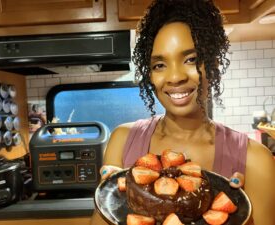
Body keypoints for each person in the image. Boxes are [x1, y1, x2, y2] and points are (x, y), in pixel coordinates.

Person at [90, 0, 275, 224]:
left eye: (190, 59)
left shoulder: (256, 160)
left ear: (214, 63)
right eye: (159, 65)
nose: (175, 76)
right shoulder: (122, 140)